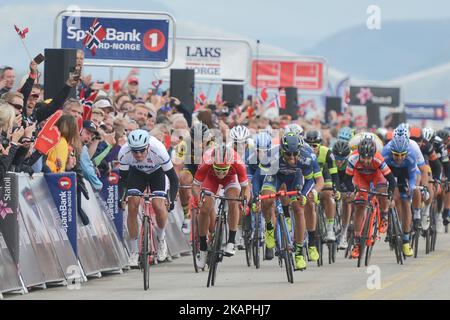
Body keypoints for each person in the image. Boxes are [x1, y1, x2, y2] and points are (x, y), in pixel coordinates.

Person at [261, 133, 323, 270]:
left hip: (296, 178)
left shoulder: (307, 157)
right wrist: (255, 196)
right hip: (276, 176)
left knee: (299, 208)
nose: (292, 158)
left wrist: (306, 195)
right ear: (282, 150)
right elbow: (257, 179)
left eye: (295, 154)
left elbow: (313, 181)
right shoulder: (272, 155)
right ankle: (270, 227)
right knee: (266, 201)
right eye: (288, 154)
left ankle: (299, 253)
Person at [119, 129, 179, 267]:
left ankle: (161, 238)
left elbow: (173, 178)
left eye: (141, 150)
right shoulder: (124, 152)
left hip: (157, 173)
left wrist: (170, 198)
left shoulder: (159, 149)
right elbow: (122, 179)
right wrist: (121, 197)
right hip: (137, 173)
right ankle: (134, 251)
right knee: (132, 204)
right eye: (135, 151)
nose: (138, 154)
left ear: (148, 146)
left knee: (158, 205)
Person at [192, 144, 250, 269]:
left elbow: (246, 188)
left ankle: (231, 241)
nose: (220, 172)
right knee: (204, 209)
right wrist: (198, 200)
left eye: (224, 169)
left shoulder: (237, 162)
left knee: (233, 200)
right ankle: (202, 249)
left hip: (231, 179)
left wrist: (244, 202)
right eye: (217, 168)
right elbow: (195, 186)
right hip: (210, 179)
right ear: (213, 162)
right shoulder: (207, 161)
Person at [346, 137, 396, 259]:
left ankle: (384, 216)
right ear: (359, 155)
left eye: (369, 158)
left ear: (374, 155)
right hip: (360, 178)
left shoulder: (379, 159)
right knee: (359, 206)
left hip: (376, 176)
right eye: (364, 157)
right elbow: (347, 180)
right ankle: (357, 242)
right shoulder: (353, 158)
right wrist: (351, 191)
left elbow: (391, 180)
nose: (367, 161)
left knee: (382, 190)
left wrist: (390, 194)